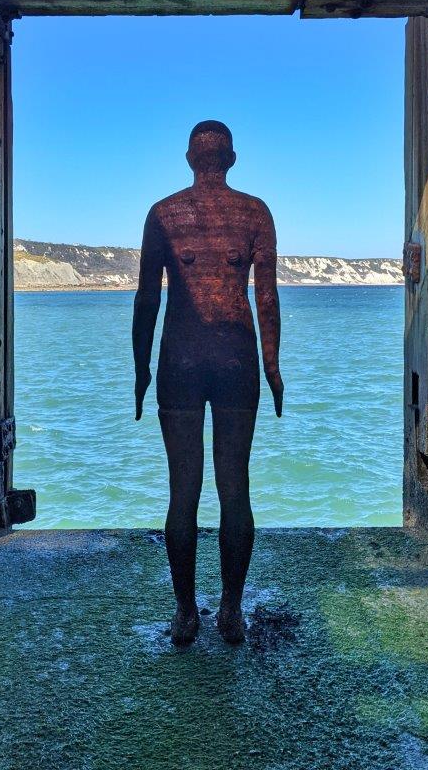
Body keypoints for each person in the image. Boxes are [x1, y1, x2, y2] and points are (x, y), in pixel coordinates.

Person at [132, 120, 283, 645]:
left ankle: (184, 613)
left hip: (180, 361)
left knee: (183, 491)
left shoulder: (163, 213)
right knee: (234, 488)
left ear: (189, 159)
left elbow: (147, 298)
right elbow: (265, 298)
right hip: (238, 361)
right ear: (232, 159)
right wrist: (273, 366)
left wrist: (140, 367)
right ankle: (232, 611)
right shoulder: (254, 212)